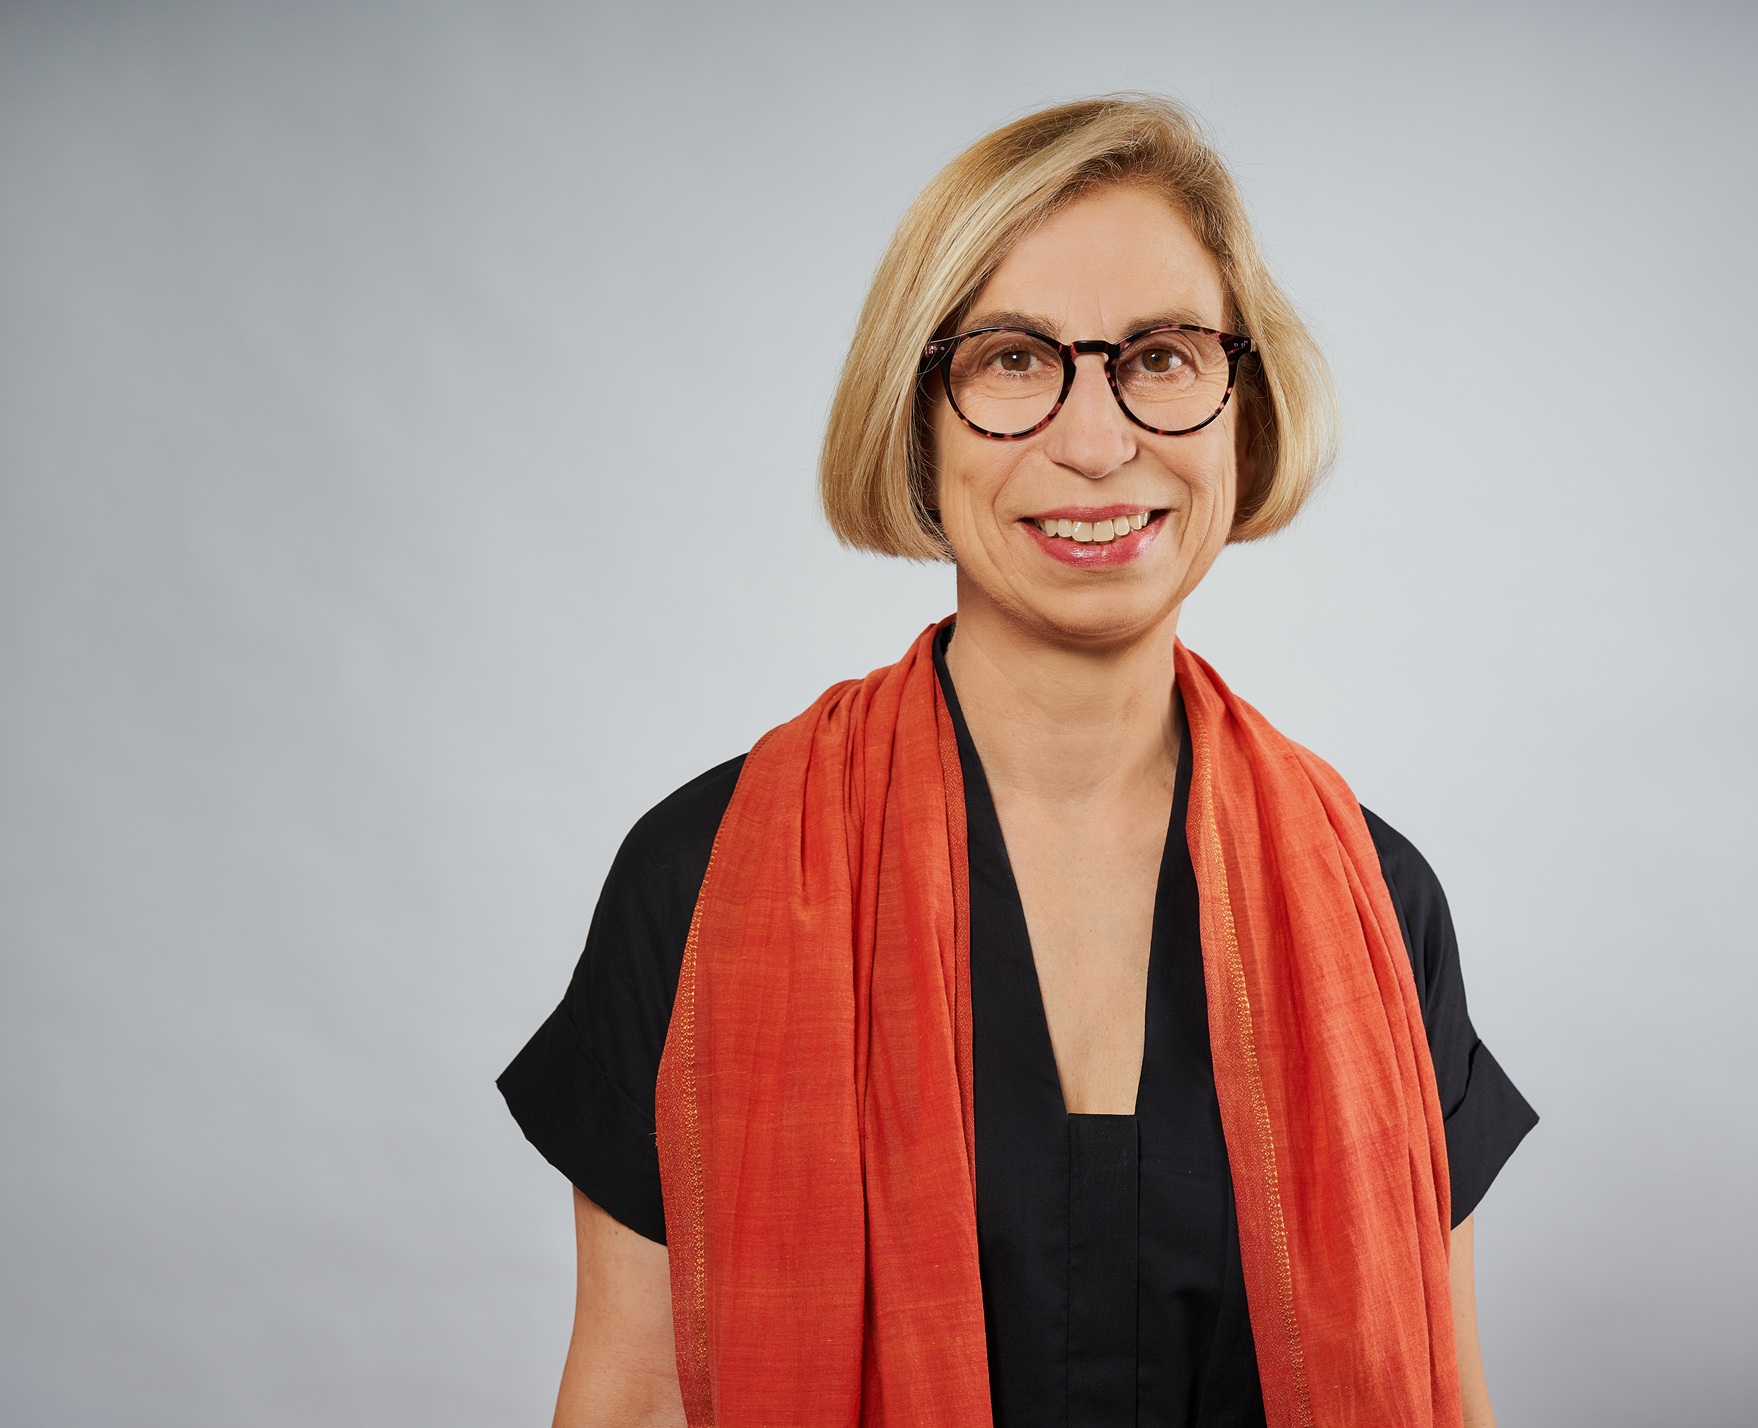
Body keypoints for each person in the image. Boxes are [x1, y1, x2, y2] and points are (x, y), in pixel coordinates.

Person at [500, 95, 1536, 1428]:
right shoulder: (697, 882)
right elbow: (637, 1396)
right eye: (1011, 359)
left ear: (1244, 408)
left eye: (1162, 355)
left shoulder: (1381, 903)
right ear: (915, 419)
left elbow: (1447, 1395)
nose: (1097, 443)